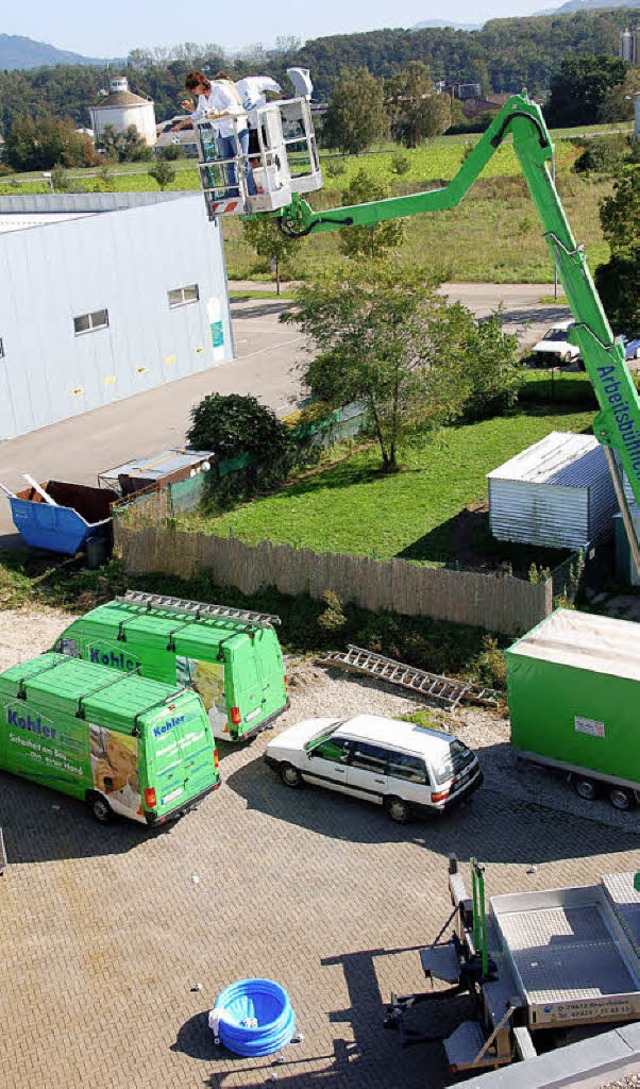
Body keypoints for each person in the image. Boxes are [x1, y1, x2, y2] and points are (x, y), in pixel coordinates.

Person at [180, 70, 256, 198]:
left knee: (242, 162)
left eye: (194, 90)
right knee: (228, 164)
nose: (194, 93)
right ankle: (233, 193)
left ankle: (251, 192)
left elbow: (233, 106)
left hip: (236, 129)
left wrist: (219, 114)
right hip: (221, 132)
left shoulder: (219, 89)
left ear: (200, 85)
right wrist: (181, 124)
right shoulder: (202, 97)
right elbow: (199, 113)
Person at [235, 75, 282, 158]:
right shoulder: (253, 82)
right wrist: (281, 91)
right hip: (257, 124)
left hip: (252, 125)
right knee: (272, 148)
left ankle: (260, 167)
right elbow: (269, 82)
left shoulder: (235, 88)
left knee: (253, 155)